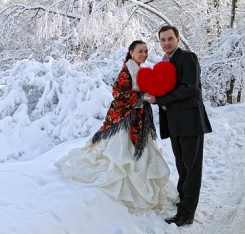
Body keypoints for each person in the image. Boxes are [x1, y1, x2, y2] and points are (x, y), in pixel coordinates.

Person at [55, 40, 170, 211]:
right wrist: (142, 98)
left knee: (140, 154)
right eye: (140, 51)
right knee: (121, 155)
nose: (144, 54)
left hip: (138, 118)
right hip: (126, 119)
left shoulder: (139, 69)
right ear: (131, 52)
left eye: (146, 51)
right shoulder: (127, 71)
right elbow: (118, 92)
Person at [145, 25, 212, 227]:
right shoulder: (164, 62)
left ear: (177, 38)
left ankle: (186, 213)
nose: (166, 43)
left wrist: (160, 99)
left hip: (190, 122)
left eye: (169, 39)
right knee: (182, 165)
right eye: (162, 40)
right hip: (174, 124)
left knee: (192, 168)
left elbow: (189, 88)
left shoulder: (188, 58)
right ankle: (184, 200)